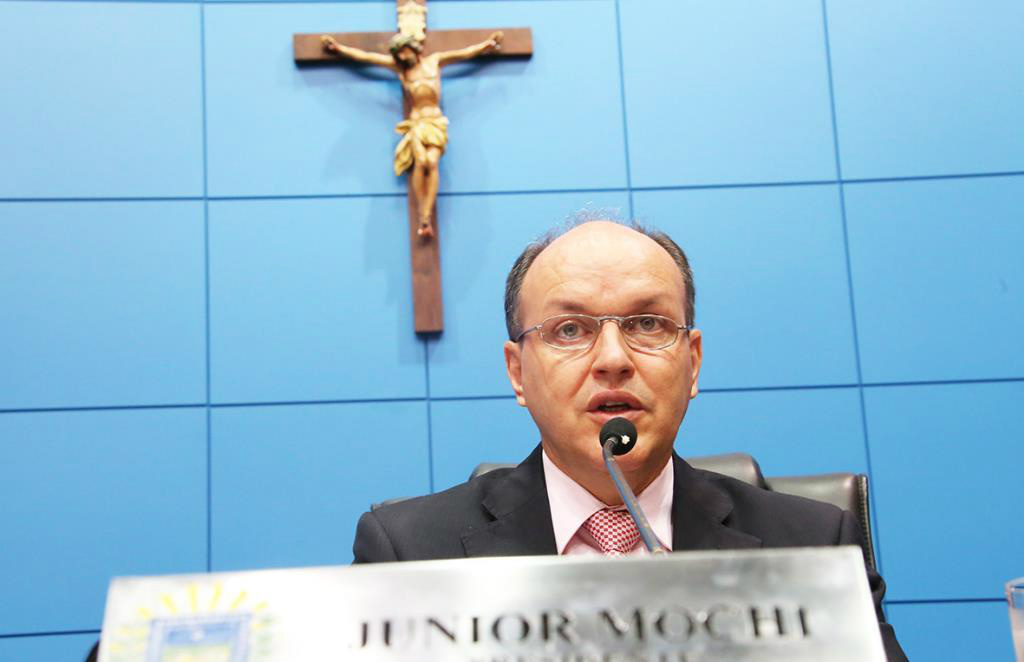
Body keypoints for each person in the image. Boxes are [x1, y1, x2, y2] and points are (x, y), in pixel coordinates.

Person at [353, 219, 907, 661]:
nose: (613, 360)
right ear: (518, 373)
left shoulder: (812, 545)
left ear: (692, 364)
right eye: (570, 330)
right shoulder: (410, 554)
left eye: (647, 324)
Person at [321, 31, 503, 238]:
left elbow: (463, 54)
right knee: (422, 162)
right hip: (417, 124)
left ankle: (425, 215)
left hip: (436, 123)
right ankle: (422, 216)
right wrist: (340, 50)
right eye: (398, 54)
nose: (402, 57)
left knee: (432, 163)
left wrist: (485, 46)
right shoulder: (401, 70)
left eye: (403, 51)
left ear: (412, 48)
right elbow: (368, 58)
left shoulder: (434, 62)